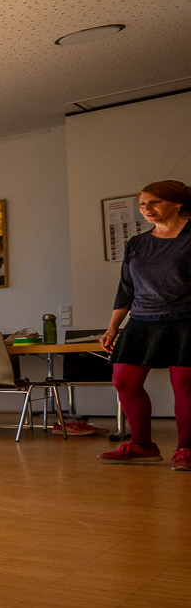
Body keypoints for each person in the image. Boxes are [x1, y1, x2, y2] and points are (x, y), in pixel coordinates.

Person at [98, 180, 191, 469]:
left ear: (177, 203)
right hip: (141, 320)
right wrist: (113, 326)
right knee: (123, 381)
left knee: (185, 385)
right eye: (142, 204)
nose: (146, 209)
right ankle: (142, 445)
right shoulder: (137, 243)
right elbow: (126, 287)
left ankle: (186, 450)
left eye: (154, 202)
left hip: (185, 320)